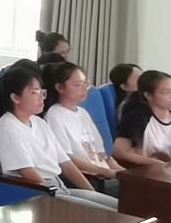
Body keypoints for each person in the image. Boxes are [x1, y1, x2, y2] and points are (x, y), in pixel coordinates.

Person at [0, 64, 118, 210]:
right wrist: (55, 194)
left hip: (58, 187)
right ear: (15, 98)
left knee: (119, 208)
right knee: (108, 214)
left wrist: (91, 192)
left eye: (41, 92)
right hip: (37, 192)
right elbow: (28, 173)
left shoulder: (39, 122)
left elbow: (66, 163)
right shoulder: (7, 127)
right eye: (34, 93)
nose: (41, 98)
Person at [43, 61, 123, 194]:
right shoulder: (54, 115)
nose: (84, 88)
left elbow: (102, 155)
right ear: (60, 87)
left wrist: (126, 174)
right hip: (88, 177)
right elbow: (67, 160)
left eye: (86, 83)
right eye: (78, 85)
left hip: (103, 174)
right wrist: (108, 173)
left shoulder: (83, 113)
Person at [114, 70, 171, 169]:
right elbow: (118, 152)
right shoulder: (138, 117)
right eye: (166, 92)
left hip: (170, 173)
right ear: (148, 95)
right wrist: (153, 163)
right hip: (140, 173)